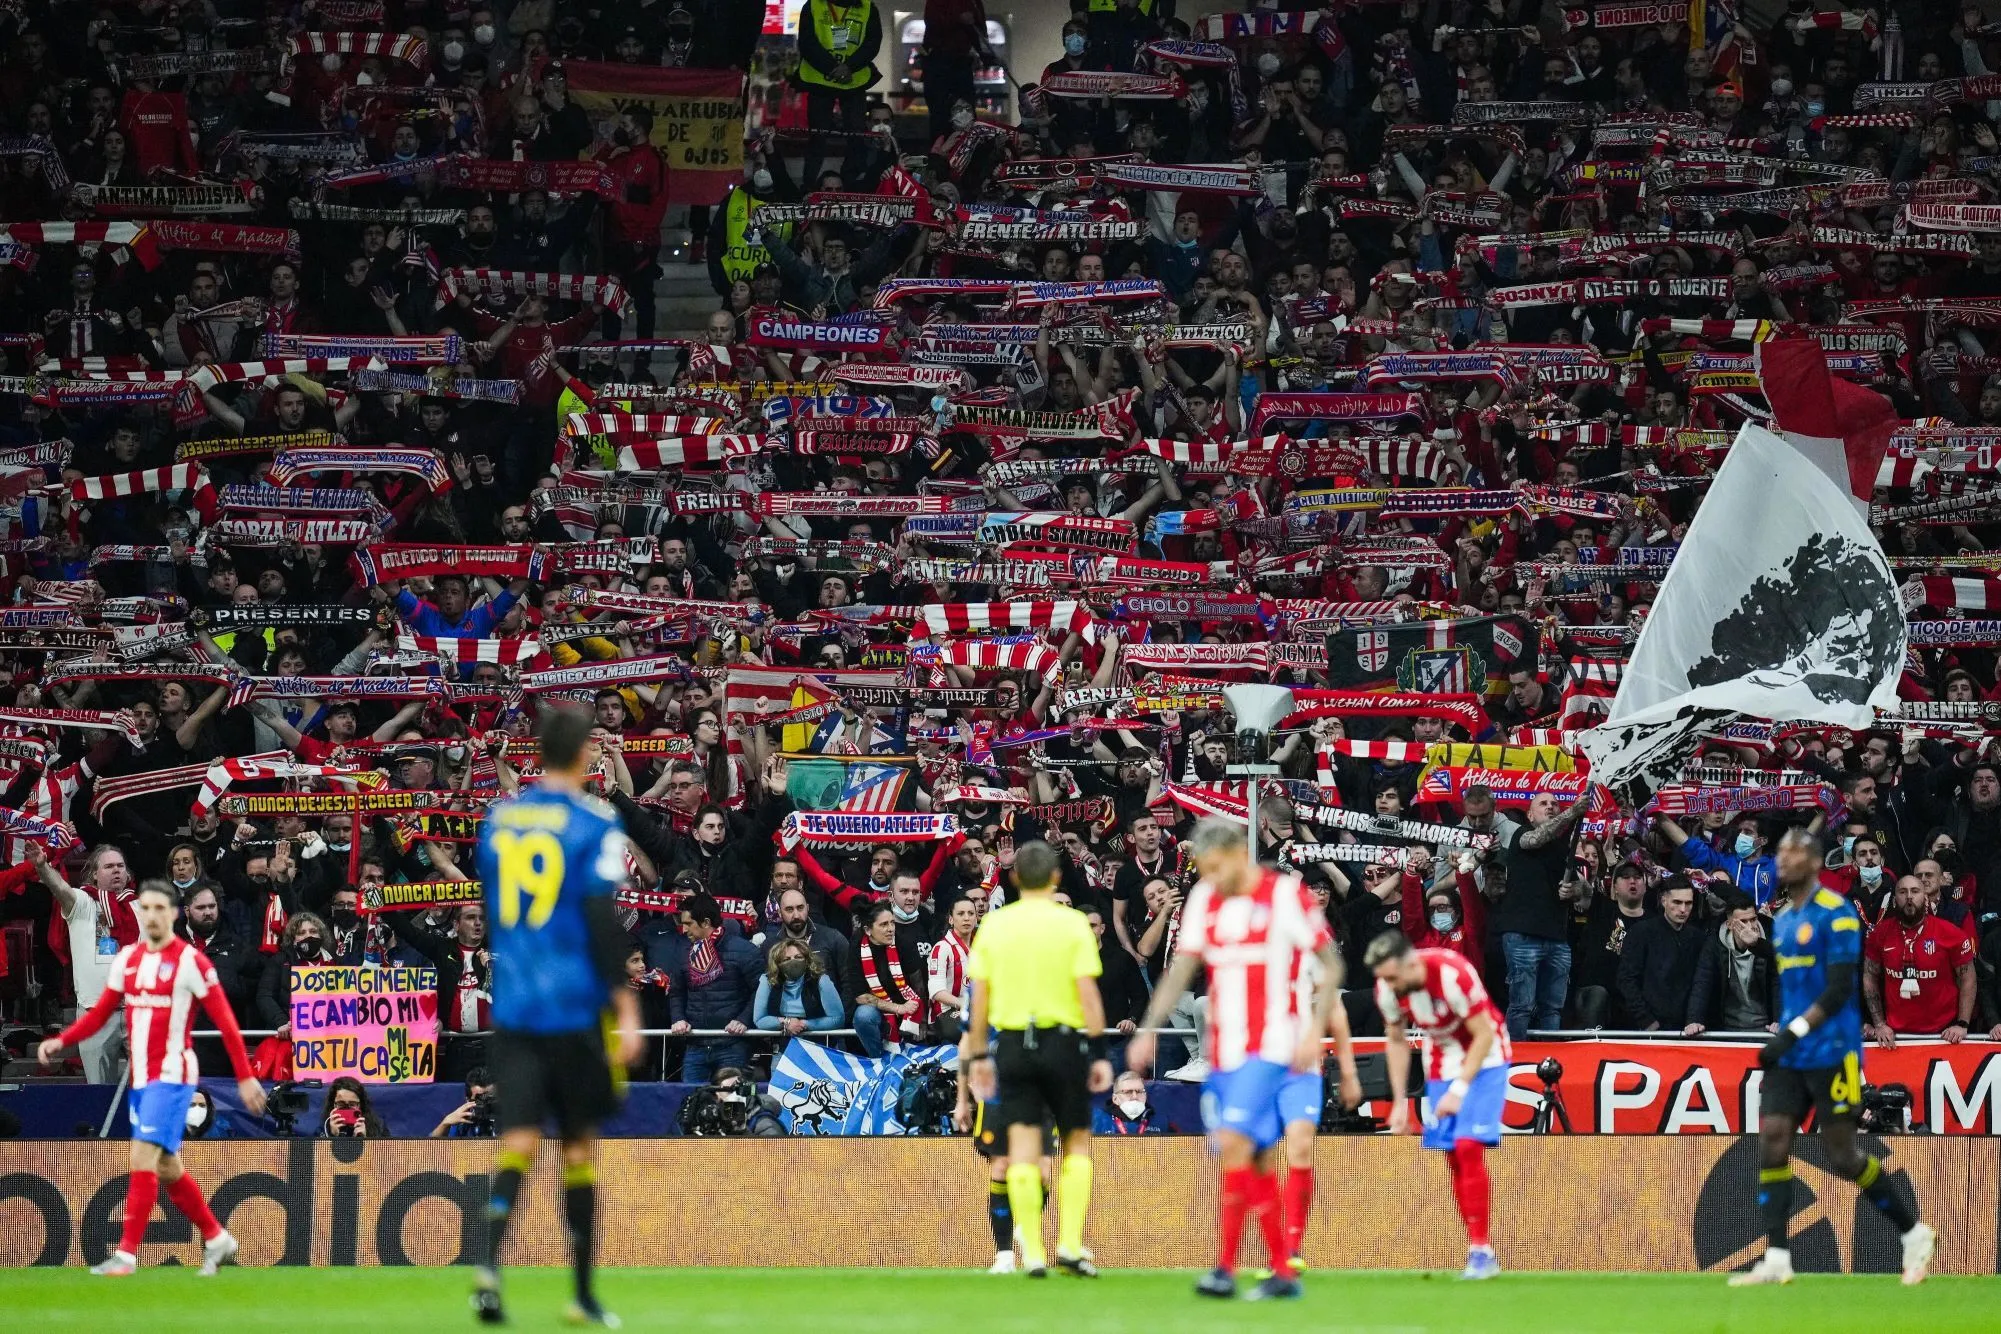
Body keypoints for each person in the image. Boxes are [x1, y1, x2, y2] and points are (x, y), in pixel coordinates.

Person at [1127, 817, 1357, 1301]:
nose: (1212, 878)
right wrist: (1150, 1027)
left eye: (1216, 868)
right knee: (1250, 1156)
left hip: (1277, 1044)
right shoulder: (1205, 900)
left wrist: (1314, 1031)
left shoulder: (1284, 897)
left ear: (1237, 853)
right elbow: (1182, 968)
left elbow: (1332, 963)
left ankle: (1225, 1269)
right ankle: (1280, 1272)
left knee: (1236, 1143)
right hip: (1226, 1051)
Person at [471, 707, 643, 1326]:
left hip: (515, 1002)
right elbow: (600, 917)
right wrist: (623, 1000)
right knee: (577, 1145)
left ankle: (488, 1270)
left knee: (516, 1141)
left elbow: (493, 905)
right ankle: (583, 1294)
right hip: (571, 1004)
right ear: (583, 755)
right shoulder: (594, 822)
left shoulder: (500, 820)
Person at [1729, 829, 1936, 1287]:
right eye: (1779, 851)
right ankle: (1778, 1256)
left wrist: (1795, 1031)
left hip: (1833, 1050)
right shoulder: (1781, 920)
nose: (1782, 859)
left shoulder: (1838, 914)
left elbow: (1840, 986)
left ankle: (1913, 1231)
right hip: (1793, 1051)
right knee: (1774, 1140)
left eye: (1793, 852)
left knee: (1840, 1155)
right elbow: (1794, 978)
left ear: (1816, 861)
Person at [36, 879, 267, 1276]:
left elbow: (227, 1023)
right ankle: (217, 1238)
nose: (154, 916)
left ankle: (126, 1255)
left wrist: (245, 1077)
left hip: (174, 1075)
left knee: (142, 1156)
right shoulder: (127, 959)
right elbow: (99, 1012)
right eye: (147, 909)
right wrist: (62, 1041)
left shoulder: (192, 962)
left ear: (174, 915)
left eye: (162, 909)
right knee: (166, 1166)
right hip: (141, 1077)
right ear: (139, 915)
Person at [961, 839, 1113, 1278]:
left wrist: (977, 1060)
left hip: (1011, 1045)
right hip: (1063, 1044)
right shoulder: (1072, 925)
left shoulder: (993, 926)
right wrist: (1100, 1053)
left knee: (1024, 1151)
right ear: (1056, 878)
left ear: (1012, 878)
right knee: (1076, 1144)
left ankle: (1034, 1254)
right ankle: (1069, 1243)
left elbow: (979, 1004)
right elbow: (1088, 995)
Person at [1367, 930, 1511, 1281]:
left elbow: (1484, 1034)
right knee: (1452, 1155)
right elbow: (1397, 1041)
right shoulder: (1388, 989)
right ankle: (1479, 1250)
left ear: (1411, 963)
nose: (1388, 985)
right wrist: (1399, 1101)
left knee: (1468, 1145)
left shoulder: (1452, 973)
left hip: (1486, 1057)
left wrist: (1460, 1089)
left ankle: (1480, 1250)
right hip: (1441, 1059)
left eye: (1392, 977)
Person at [1861, 874, 1977, 1048]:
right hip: (1895, 1035)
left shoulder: (1950, 933)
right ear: (1894, 899)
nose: (1909, 897)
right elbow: (1870, 976)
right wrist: (1879, 1024)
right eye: (1902, 891)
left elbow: (1968, 978)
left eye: (1915, 891)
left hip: (1945, 1033)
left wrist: (1962, 1024)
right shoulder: (1880, 934)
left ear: (1925, 898)